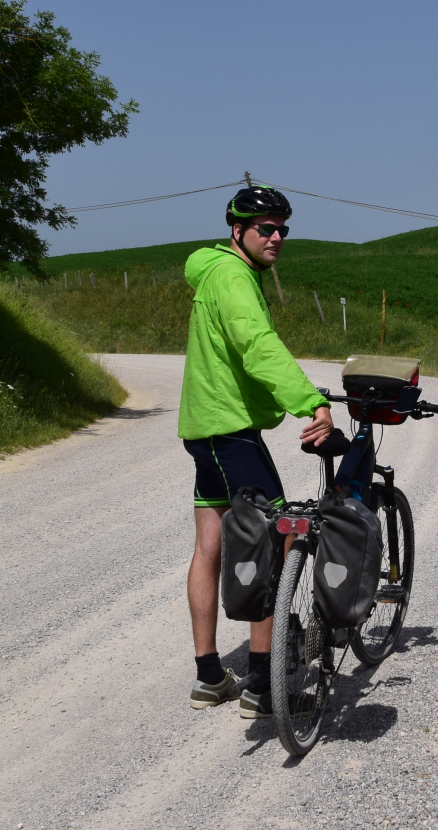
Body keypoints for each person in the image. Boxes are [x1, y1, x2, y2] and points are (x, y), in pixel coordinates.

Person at [179, 185, 333, 717]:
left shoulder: (213, 272)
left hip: (206, 431)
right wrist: (311, 403)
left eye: (282, 228)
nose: (276, 237)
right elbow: (257, 346)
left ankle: (209, 677)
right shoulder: (233, 277)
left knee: (212, 545)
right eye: (264, 228)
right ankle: (265, 689)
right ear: (237, 229)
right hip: (231, 432)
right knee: (278, 541)